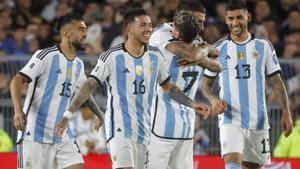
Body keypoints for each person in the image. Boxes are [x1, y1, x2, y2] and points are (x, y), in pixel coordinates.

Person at [55, 8, 210, 169]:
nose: (149, 29)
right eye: (143, 25)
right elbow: (88, 85)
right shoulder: (112, 56)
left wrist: (192, 104)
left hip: (145, 133)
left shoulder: (155, 56)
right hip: (119, 129)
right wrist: (68, 114)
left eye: (150, 25)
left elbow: (169, 87)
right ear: (129, 29)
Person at [200, 1, 293, 169]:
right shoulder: (218, 49)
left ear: (248, 17)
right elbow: (205, 85)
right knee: (233, 165)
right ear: (226, 20)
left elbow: (276, 81)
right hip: (230, 119)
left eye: (239, 17)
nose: (235, 22)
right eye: (231, 18)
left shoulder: (263, 46)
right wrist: (214, 100)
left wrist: (286, 111)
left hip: (258, 121)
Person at [10, 13, 104, 169]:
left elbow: (84, 93)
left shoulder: (78, 64)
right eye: (80, 29)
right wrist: (18, 111)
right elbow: (17, 80)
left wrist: (99, 114)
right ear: (66, 33)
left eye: (85, 29)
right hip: (34, 134)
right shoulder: (45, 56)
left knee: (77, 165)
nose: (85, 34)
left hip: (61, 134)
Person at [148, 10, 222, 169]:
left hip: (161, 125)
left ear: (178, 33)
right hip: (186, 126)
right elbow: (217, 64)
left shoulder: (165, 45)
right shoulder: (199, 47)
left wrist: (199, 55)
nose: (171, 27)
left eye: (173, 26)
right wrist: (202, 54)